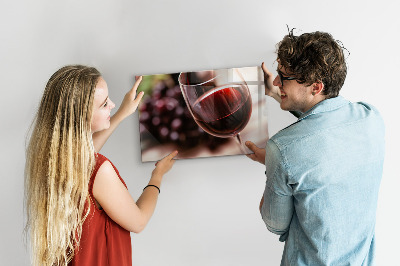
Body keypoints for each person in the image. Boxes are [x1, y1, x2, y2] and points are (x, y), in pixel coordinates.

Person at [246, 30, 385, 265]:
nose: (277, 81)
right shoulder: (371, 118)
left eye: (284, 77)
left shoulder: (282, 149)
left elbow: (274, 224)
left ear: (316, 86)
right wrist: (276, 93)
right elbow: (325, 122)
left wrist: (272, 164)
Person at [24, 65, 178, 266]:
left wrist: (122, 113)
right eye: (105, 104)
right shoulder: (100, 170)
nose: (113, 104)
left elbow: (85, 158)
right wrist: (157, 176)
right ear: (82, 117)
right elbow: (138, 221)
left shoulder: (53, 160)